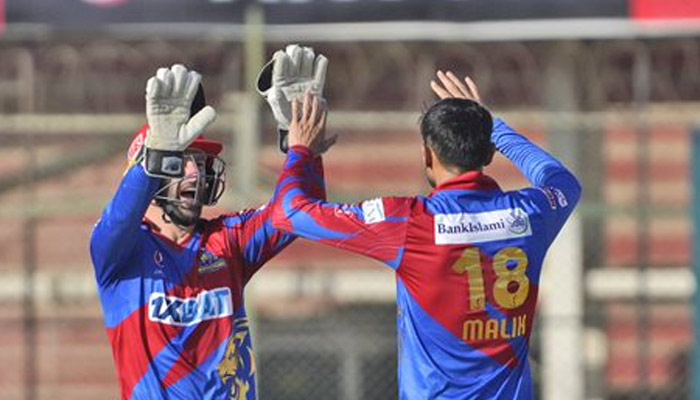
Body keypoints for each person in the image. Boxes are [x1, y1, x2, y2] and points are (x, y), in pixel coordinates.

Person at [271, 71, 582, 399]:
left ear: (427, 155)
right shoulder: (531, 213)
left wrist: (301, 151)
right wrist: (496, 128)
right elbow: (563, 182)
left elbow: (289, 212)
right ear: (490, 153)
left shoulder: (409, 222)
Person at [90, 51, 329, 400]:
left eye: (201, 162)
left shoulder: (227, 240)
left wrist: (300, 147)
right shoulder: (122, 253)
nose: (196, 173)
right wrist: (156, 156)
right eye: (182, 161)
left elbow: (300, 210)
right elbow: (118, 221)